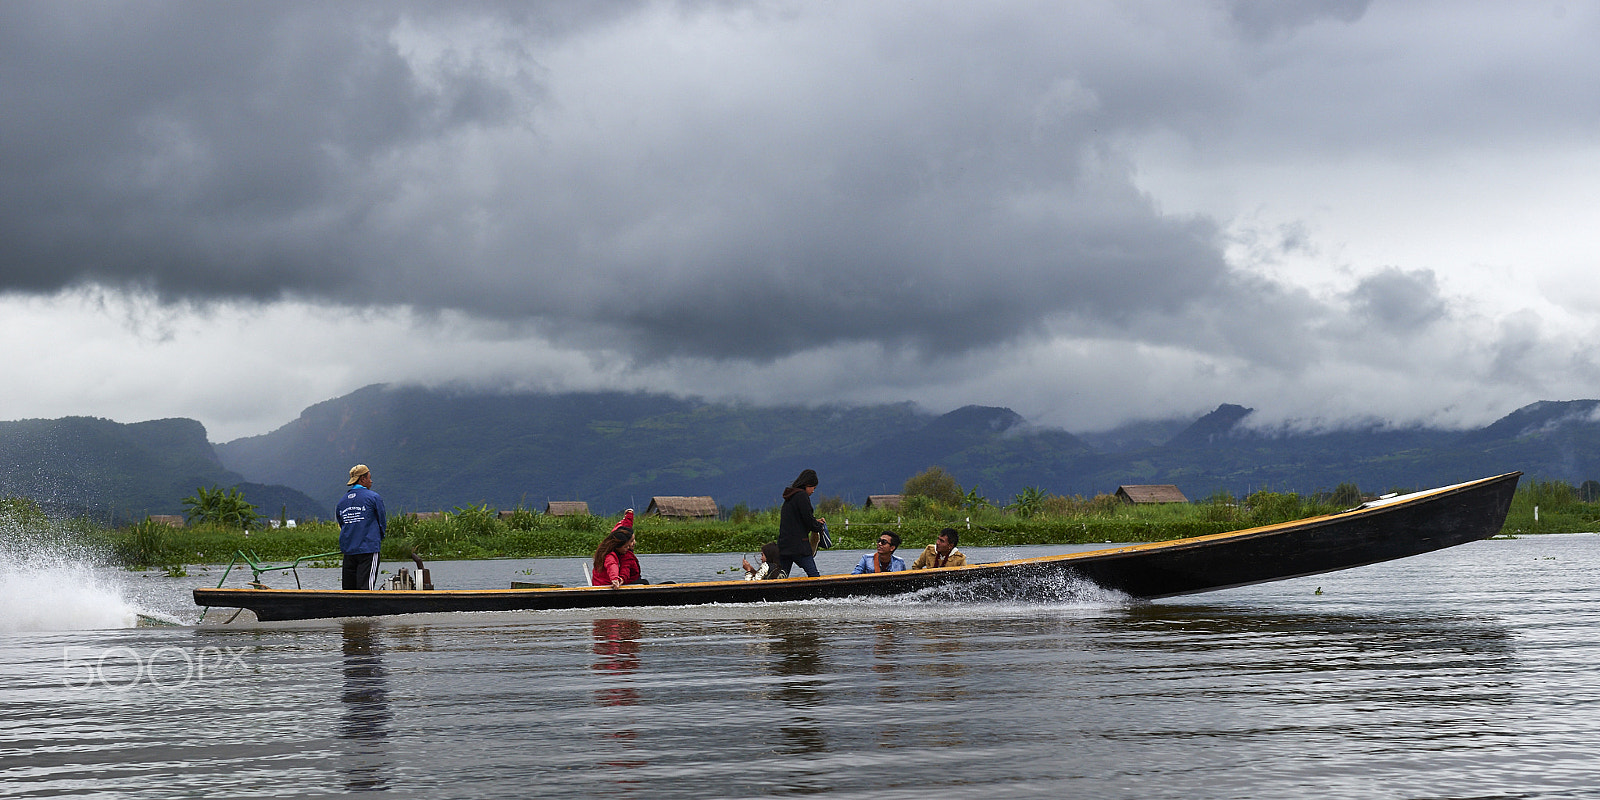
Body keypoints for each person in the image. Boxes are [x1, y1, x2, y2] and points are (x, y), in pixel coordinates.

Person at [337, 464, 387, 590]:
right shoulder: (374, 497)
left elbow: (342, 523)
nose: (371, 481)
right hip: (368, 549)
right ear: (362, 479)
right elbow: (382, 522)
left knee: (349, 590)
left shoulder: (342, 501)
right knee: (366, 589)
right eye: (369, 478)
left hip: (349, 550)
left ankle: (351, 609)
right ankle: (366, 609)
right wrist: (378, 539)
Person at [777, 469, 827, 578]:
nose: (813, 491)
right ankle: (821, 593)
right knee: (814, 575)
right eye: (813, 487)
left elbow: (799, 520)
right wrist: (819, 527)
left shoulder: (789, 497)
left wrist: (814, 522)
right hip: (799, 546)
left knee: (782, 577)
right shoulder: (802, 496)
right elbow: (808, 520)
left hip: (784, 546)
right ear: (808, 485)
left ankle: (778, 593)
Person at [592, 509, 645, 588]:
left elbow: (626, 527)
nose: (632, 544)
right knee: (644, 582)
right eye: (626, 545)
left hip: (603, 582)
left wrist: (629, 515)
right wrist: (617, 579)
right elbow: (614, 566)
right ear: (618, 546)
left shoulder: (615, 540)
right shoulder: (613, 556)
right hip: (607, 585)